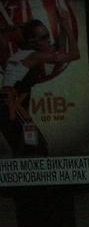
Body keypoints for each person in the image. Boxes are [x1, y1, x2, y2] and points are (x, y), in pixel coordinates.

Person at [0, 10, 79, 156]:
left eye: (48, 36)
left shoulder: (25, 54)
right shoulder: (33, 56)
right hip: (10, 107)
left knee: (30, 149)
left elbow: (60, 51)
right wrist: (67, 27)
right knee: (36, 148)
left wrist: (62, 27)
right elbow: (74, 54)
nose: (48, 40)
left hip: (13, 109)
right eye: (43, 38)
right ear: (32, 41)